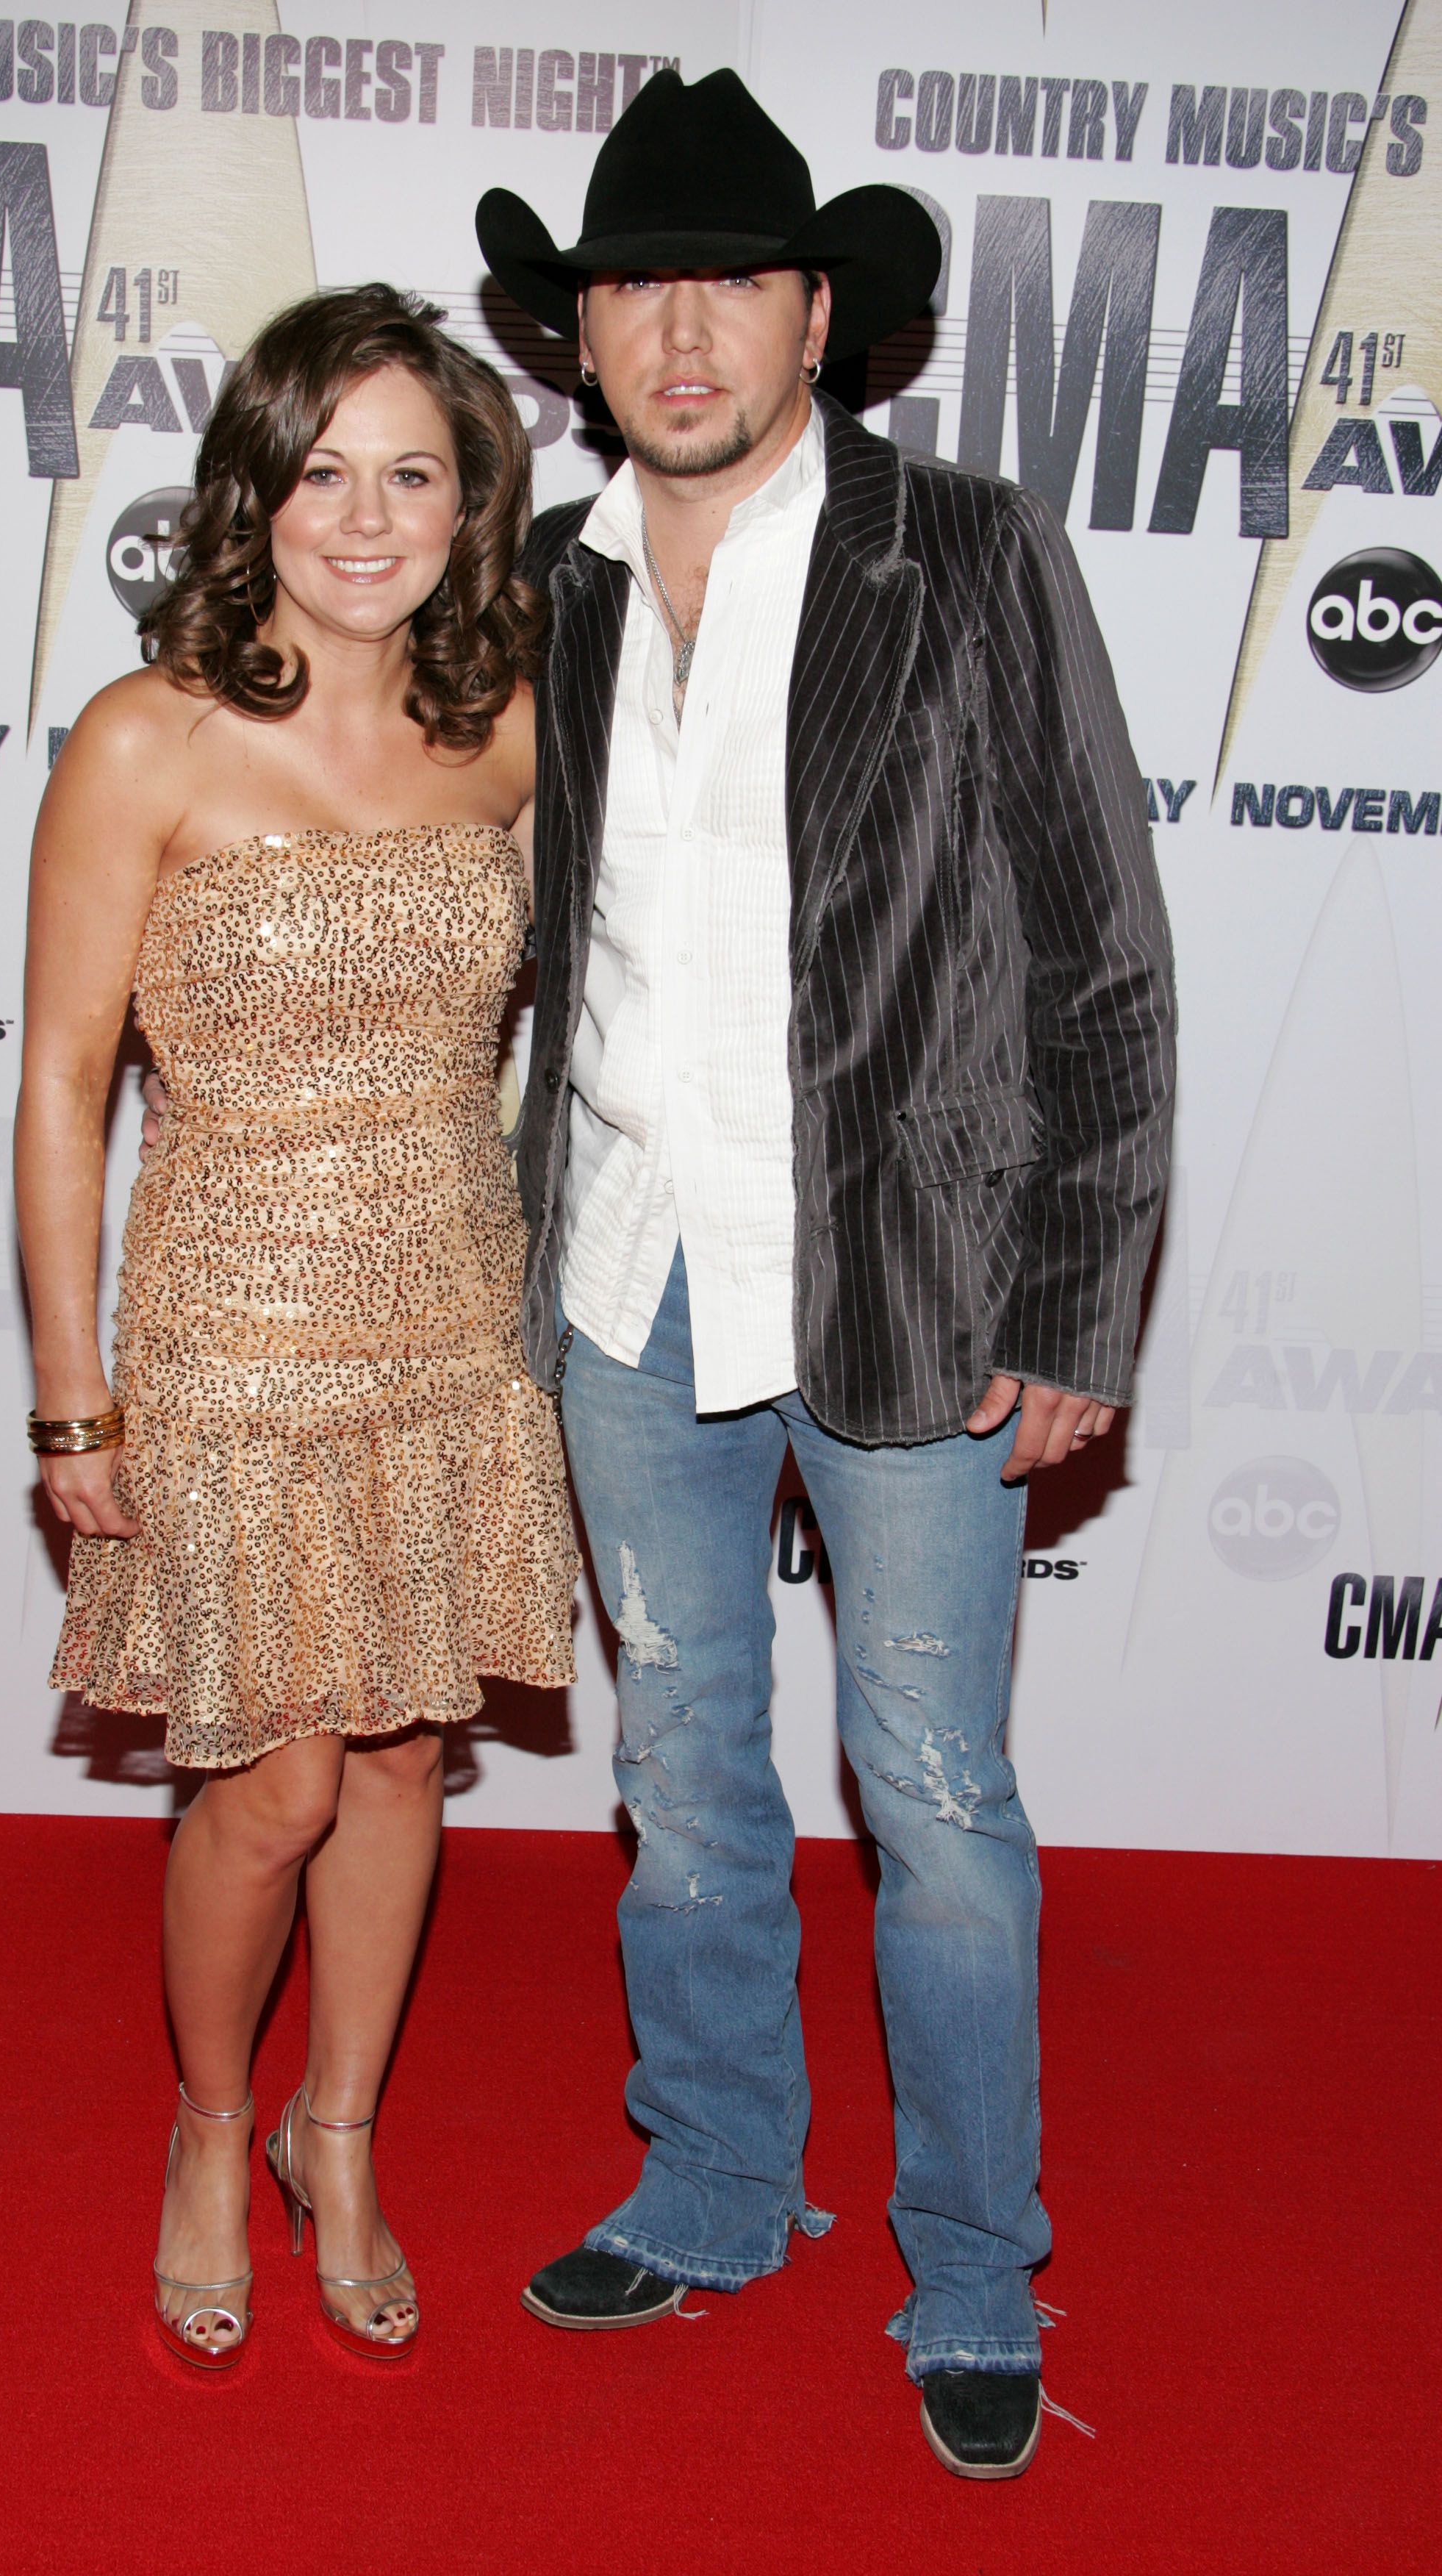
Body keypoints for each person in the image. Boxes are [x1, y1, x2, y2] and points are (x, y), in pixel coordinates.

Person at [474, 69, 1176, 2478]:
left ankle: (975, 2268)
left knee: (936, 1789)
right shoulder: (543, 586)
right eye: (636, 286)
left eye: (731, 285)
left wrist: (1078, 1303)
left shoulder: (964, 548)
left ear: (816, 316)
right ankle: (716, 2181)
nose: (682, 330)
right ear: (582, 334)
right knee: (680, 1766)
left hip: (905, 1279)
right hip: (627, 1275)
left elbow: (1100, 954)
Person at [14, 284, 577, 2374]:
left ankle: (343, 2136)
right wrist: (76, 1396)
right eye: (326, 468)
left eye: (414, 473)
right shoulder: (144, 737)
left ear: (469, 505)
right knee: (269, 1781)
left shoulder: (510, 726)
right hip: (230, 1328)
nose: (369, 516)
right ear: (254, 488)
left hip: (446, 1308)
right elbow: (66, 1079)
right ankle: (213, 2117)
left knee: (413, 1757)